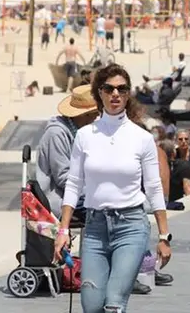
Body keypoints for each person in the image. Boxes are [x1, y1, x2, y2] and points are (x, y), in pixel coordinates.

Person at [54, 64, 171, 313]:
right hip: (95, 229)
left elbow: (153, 187)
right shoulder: (85, 135)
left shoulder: (141, 138)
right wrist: (62, 230)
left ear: (128, 94)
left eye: (122, 89)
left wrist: (163, 236)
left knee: (114, 303)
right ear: (100, 93)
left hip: (131, 226)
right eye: (109, 89)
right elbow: (74, 184)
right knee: (92, 306)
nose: (115, 94)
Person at [35, 85, 100, 219]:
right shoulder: (56, 134)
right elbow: (63, 178)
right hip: (60, 198)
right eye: (94, 115)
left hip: (79, 191)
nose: (96, 119)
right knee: (104, 211)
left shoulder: (80, 132)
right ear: (84, 115)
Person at [168, 129, 190, 202]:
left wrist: (182, 170)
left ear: (189, 140)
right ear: (176, 141)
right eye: (180, 139)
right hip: (177, 183)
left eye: (186, 139)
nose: (183, 141)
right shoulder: (174, 152)